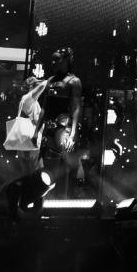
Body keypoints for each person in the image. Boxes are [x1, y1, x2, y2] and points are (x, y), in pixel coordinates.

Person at [34, 48, 83, 198]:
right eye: (53, 60)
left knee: (66, 166)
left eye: (57, 60)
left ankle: (66, 199)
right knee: (48, 171)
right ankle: (49, 200)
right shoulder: (50, 80)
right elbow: (44, 108)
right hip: (49, 128)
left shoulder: (74, 81)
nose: (53, 63)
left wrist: (73, 133)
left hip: (64, 127)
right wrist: (36, 131)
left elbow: (76, 107)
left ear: (66, 60)